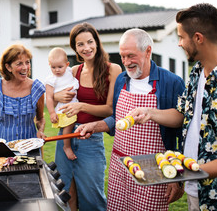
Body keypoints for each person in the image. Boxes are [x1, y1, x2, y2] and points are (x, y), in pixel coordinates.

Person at [129, 3, 217, 211]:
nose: (179, 43)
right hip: (194, 188)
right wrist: (150, 113)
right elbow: (182, 115)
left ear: (198, 38)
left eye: (182, 37)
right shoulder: (196, 72)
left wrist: (188, 170)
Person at [75, 28, 186, 211]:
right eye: (122, 56)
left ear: (148, 51)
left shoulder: (172, 82)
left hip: (154, 170)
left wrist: (177, 176)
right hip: (120, 167)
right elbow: (117, 118)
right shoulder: (121, 80)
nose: (126, 62)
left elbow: (182, 126)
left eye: (131, 56)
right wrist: (96, 126)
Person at [53, 22, 122, 211]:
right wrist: (56, 97)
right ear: (75, 48)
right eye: (80, 44)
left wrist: (82, 106)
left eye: (90, 42)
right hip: (65, 137)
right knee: (64, 193)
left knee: (92, 197)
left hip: (91, 138)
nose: (86, 48)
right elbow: (53, 93)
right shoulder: (73, 71)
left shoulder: (113, 69)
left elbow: (110, 109)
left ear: (97, 43)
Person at [0, 44, 46, 141]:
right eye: (19, 63)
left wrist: (40, 130)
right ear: (8, 67)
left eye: (27, 62)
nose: (25, 67)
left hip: (29, 147)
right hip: (1, 148)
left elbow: (40, 119)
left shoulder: (37, 88)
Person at [45, 47, 79, 160]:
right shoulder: (51, 80)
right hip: (63, 108)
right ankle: (66, 146)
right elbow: (49, 98)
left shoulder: (70, 71)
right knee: (68, 125)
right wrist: (51, 113)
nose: (57, 70)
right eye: (53, 67)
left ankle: (68, 145)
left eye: (60, 67)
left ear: (67, 64)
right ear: (49, 65)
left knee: (72, 124)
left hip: (75, 104)